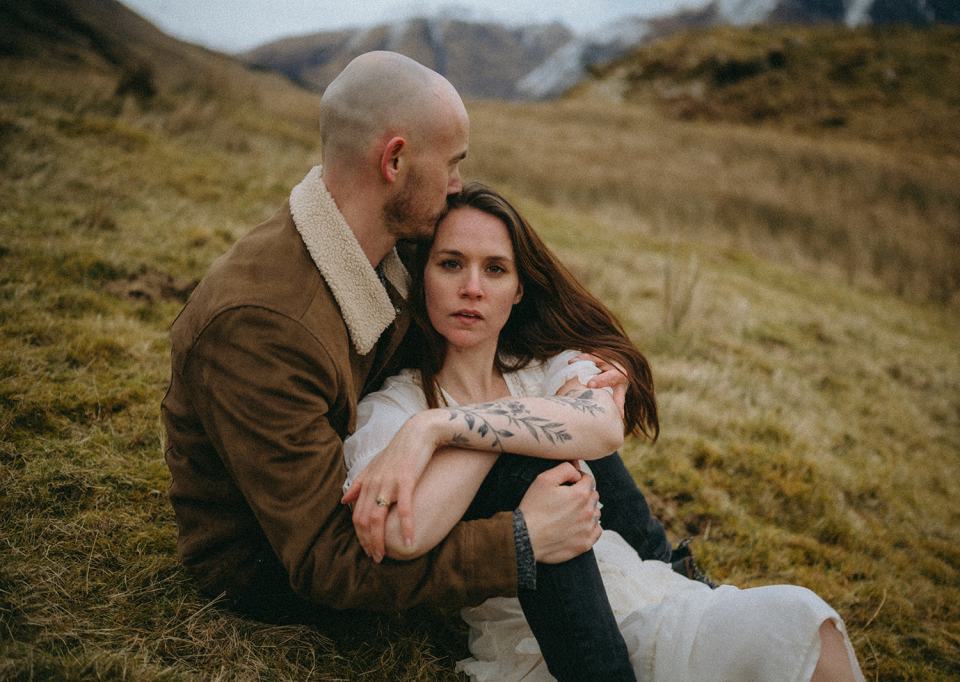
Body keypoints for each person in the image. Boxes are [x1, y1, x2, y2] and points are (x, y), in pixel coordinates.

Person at [160, 48, 683, 658]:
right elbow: (327, 563)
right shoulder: (261, 325)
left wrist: (596, 369)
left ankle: (674, 577)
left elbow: (505, 325)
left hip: (393, 492)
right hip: (273, 574)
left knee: (526, 424)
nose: (458, 183)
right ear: (396, 159)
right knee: (523, 460)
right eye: (453, 163)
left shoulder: (389, 249)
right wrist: (521, 539)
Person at [341, 184, 865, 681]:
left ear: (519, 288)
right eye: (451, 264)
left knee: (806, 624)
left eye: (495, 269)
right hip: (548, 640)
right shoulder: (396, 408)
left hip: (648, 590)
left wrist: (441, 429)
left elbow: (599, 427)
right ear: (422, 274)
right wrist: (468, 430)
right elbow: (400, 535)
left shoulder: (542, 368)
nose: (472, 287)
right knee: (795, 619)